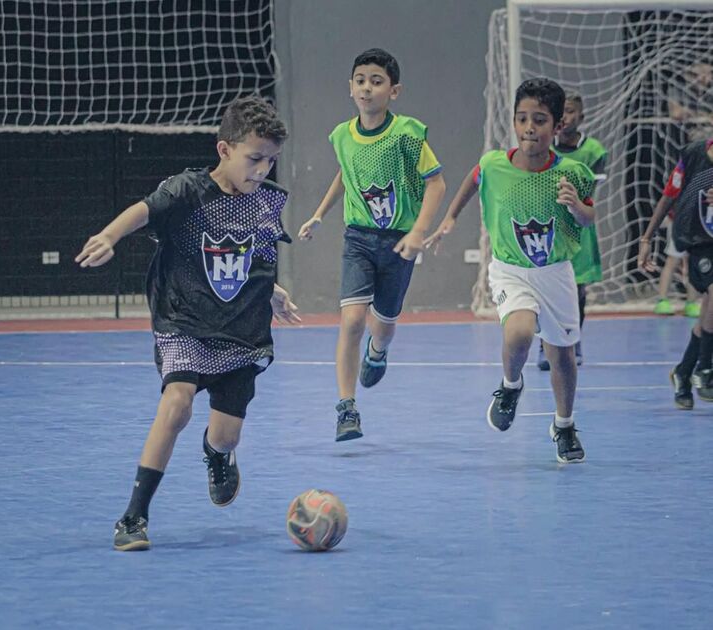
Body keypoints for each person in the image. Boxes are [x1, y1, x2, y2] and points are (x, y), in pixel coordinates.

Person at [75, 96, 301, 551]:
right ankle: (134, 517)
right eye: (254, 158)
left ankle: (217, 454)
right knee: (176, 404)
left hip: (241, 329)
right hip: (183, 319)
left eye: (270, 161)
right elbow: (143, 209)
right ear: (224, 150)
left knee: (226, 434)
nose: (262, 169)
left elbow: (254, 259)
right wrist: (109, 235)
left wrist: (272, 292)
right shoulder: (189, 191)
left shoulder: (266, 204)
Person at [425, 78, 595, 464]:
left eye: (539, 120)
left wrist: (575, 207)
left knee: (562, 357)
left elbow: (588, 218)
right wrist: (450, 218)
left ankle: (564, 425)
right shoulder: (494, 164)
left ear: (557, 126)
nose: (529, 128)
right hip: (510, 270)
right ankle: (510, 385)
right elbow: (472, 180)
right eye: (522, 119)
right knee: (518, 332)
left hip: (555, 273)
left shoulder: (574, 172)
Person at [297, 48, 446, 442]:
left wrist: (418, 233)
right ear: (350, 88)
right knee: (351, 321)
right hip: (358, 238)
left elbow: (436, 183)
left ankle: (378, 352)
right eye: (360, 80)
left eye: (376, 81)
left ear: (393, 91)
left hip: (399, 242)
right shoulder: (342, 136)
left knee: (383, 325)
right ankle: (347, 409)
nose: (367, 87)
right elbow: (344, 177)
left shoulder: (407, 134)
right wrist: (318, 214)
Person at [638, 137, 713, 409]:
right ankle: (705, 369)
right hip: (699, 242)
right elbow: (669, 195)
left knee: (709, 312)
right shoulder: (694, 155)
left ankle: (683, 371)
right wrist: (646, 238)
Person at [536, 90, 607, 370]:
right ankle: (544, 346)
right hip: (548, 229)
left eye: (571, 111)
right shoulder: (542, 147)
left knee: (577, 290)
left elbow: (589, 192)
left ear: (582, 116)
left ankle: (572, 340)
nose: (566, 117)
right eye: (562, 111)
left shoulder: (594, 152)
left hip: (578, 227)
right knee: (544, 290)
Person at [651, 214, 700, 318]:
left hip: (700, 223)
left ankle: (691, 302)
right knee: (673, 260)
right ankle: (662, 300)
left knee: (695, 262)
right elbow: (668, 199)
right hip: (680, 221)